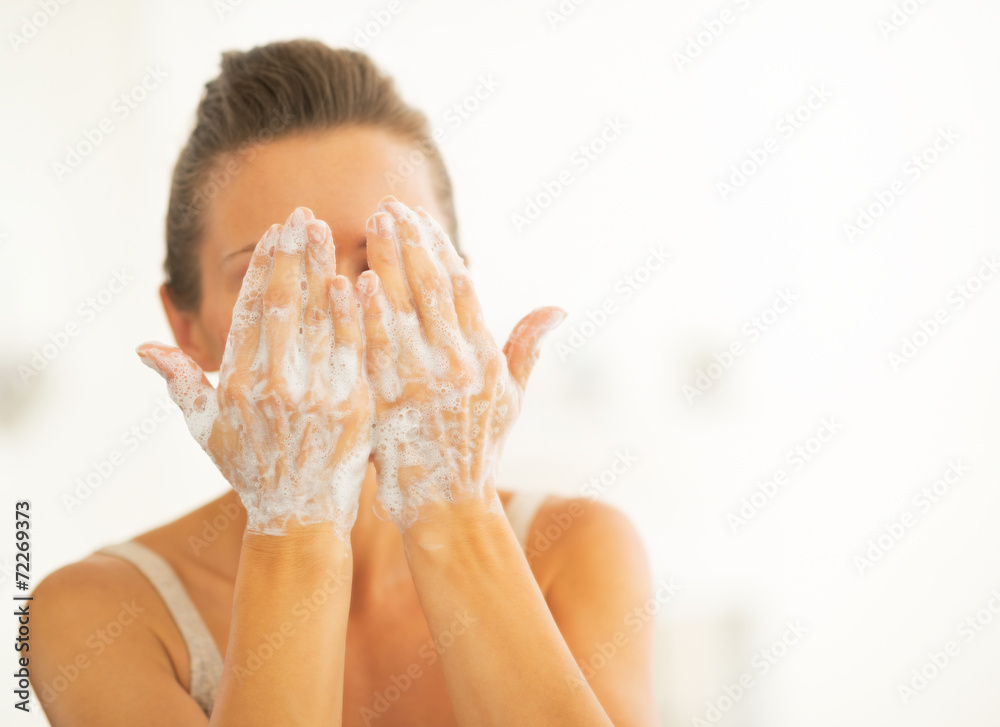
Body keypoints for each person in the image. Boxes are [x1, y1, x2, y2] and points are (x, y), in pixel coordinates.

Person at [30, 39, 657, 726]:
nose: (347, 308)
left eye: (389, 257)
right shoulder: (96, 614)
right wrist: (293, 525)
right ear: (188, 328)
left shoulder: (576, 551)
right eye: (280, 271)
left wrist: (454, 511)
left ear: (458, 292)